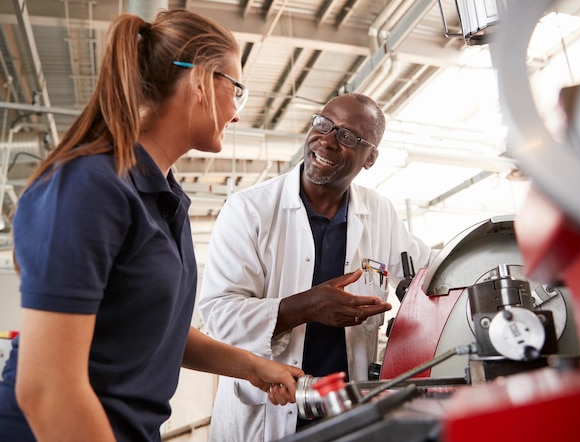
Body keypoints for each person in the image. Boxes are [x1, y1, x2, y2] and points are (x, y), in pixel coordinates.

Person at [0, 9, 303, 442]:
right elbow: (47, 389)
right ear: (200, 79)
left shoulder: (164, 199)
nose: (236, 114)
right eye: (236, 89)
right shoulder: (89, 187)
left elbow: (156, 329)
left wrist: (253, 366)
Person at [197, 92, 432, 441]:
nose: (327, 140)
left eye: (348, 136)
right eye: (324, 124)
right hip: (267, 415)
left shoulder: (379, 211)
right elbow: (218, 315)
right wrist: (304, 308)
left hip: (345, 416)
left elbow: (428, 272)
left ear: (370, 158)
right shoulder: (248, 210)